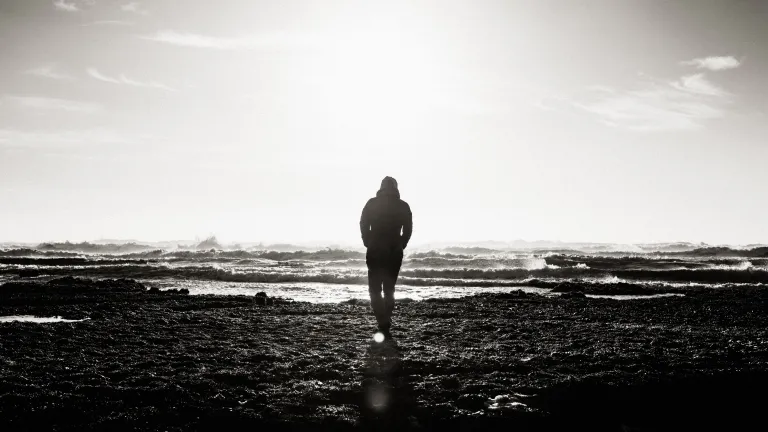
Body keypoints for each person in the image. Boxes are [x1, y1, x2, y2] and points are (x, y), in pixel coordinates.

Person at [360, 176, 413, 337]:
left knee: (375, 288)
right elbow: (408, 229)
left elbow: (363, 223)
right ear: (395, 187)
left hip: (375, 249)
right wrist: (401, 244)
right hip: (394, 250)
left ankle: (382, 320)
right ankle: (386, 318)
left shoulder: (371, 203)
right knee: (389, 289)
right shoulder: (403, 205)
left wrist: (367, 240)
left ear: (381, 187)